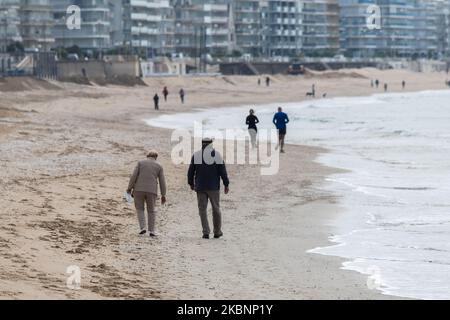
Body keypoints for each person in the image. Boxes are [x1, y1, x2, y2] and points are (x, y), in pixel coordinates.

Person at [188, 138, 229, 239]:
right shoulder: (216, 155)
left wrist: (191, 183)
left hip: (200, 186)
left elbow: (191, 171)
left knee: (202, 209)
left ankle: (206, 232)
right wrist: (226, 184)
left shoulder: (196, 155)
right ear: (211, 144)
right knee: (216, 209)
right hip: (213, 186)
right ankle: (217, 231)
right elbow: (222, 171)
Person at [127, 150, 167, 237]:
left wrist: (129, 188)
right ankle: (152, 231)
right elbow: (162, 181)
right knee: (151, 210)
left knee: (140, 209)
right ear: (156, 157)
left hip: (138, 190)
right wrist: (163, 195)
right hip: (152, 191)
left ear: (147, 156)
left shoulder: (140, 163)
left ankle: (142, 228)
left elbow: (134, 176)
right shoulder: (159, 166)